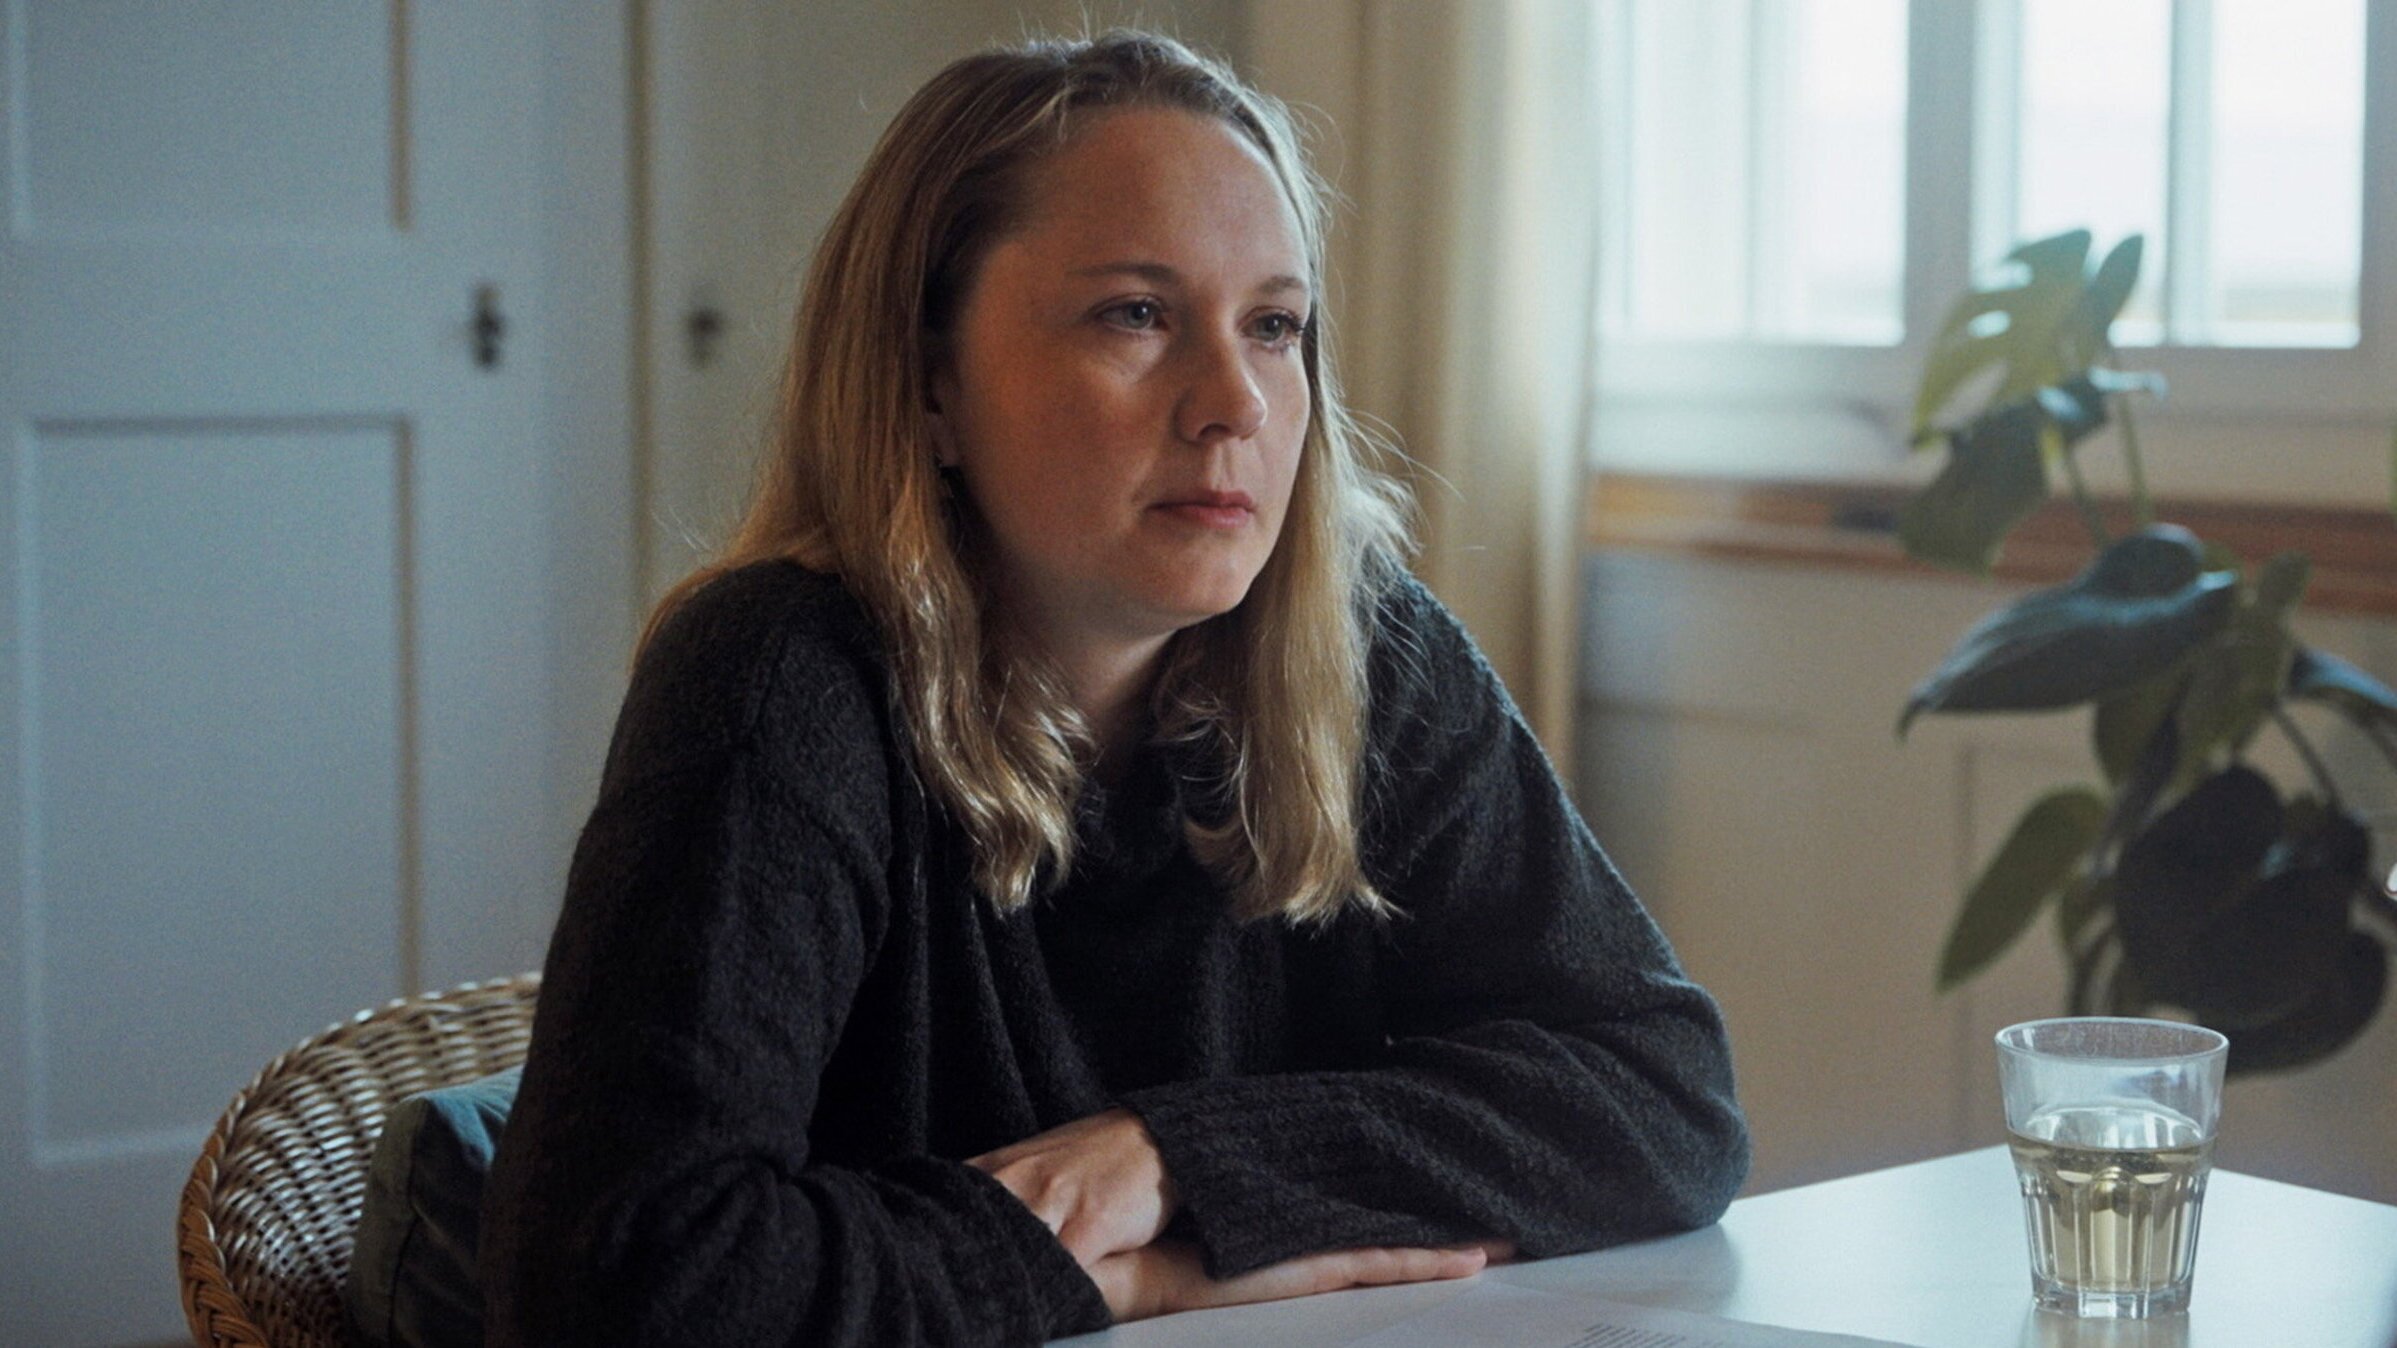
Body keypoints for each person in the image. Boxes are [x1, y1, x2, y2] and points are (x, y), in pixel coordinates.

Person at [481, 30, 1748, 1348]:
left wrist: (1169, 1159)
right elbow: (619, 1283)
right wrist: (1118, 1284)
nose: (1233, 404)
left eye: (1273, 326)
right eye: (1136, 315)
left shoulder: (1363, 653)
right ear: (928, 382)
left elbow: (1662, 1097)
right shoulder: (778, 678)